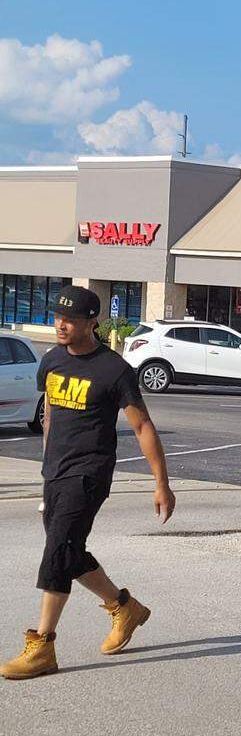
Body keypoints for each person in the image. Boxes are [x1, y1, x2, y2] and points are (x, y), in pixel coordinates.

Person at [1, 286, 176, 680]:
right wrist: (47, 465)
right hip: (56, 473)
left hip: (90, 473)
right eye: (58, 318)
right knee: (67, 549)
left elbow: (142, 424)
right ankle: (123, 607)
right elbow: (49, 413)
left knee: (58, 549)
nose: (61, 325)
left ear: (90, 323)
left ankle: (43, 645)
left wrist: (161, 483)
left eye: (70, 320)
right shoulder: (51, 361)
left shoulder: (113, 370)